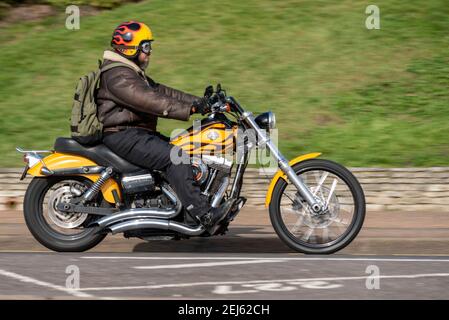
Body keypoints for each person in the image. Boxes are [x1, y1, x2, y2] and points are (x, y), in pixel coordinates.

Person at [96, 21, 226, 229]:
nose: (150, 52)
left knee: (185, 149)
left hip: (135, 133)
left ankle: (182, 206)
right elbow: (150, 100)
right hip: (123, 135)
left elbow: (162, 92)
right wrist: (190, 110)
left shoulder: (130, 71)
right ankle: (203, 213)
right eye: (146, 46)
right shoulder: (118, 75)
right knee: (176, 158)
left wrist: (200, 103)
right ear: (131, 48)